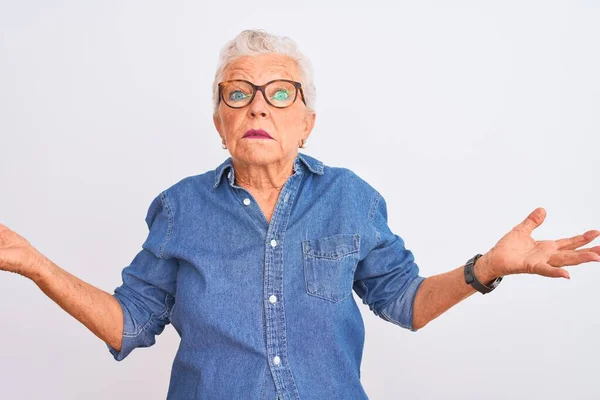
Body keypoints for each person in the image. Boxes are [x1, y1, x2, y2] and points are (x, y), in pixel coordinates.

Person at [0, 29, 599, 400]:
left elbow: (405, 303)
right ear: (220, 123)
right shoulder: (180, 208)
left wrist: (487, 266)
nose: (258, 104)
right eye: (238, 93)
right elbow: (129, 324)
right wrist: (32, 262)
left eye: (280, 91)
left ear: (307, 120)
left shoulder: (350, 197)